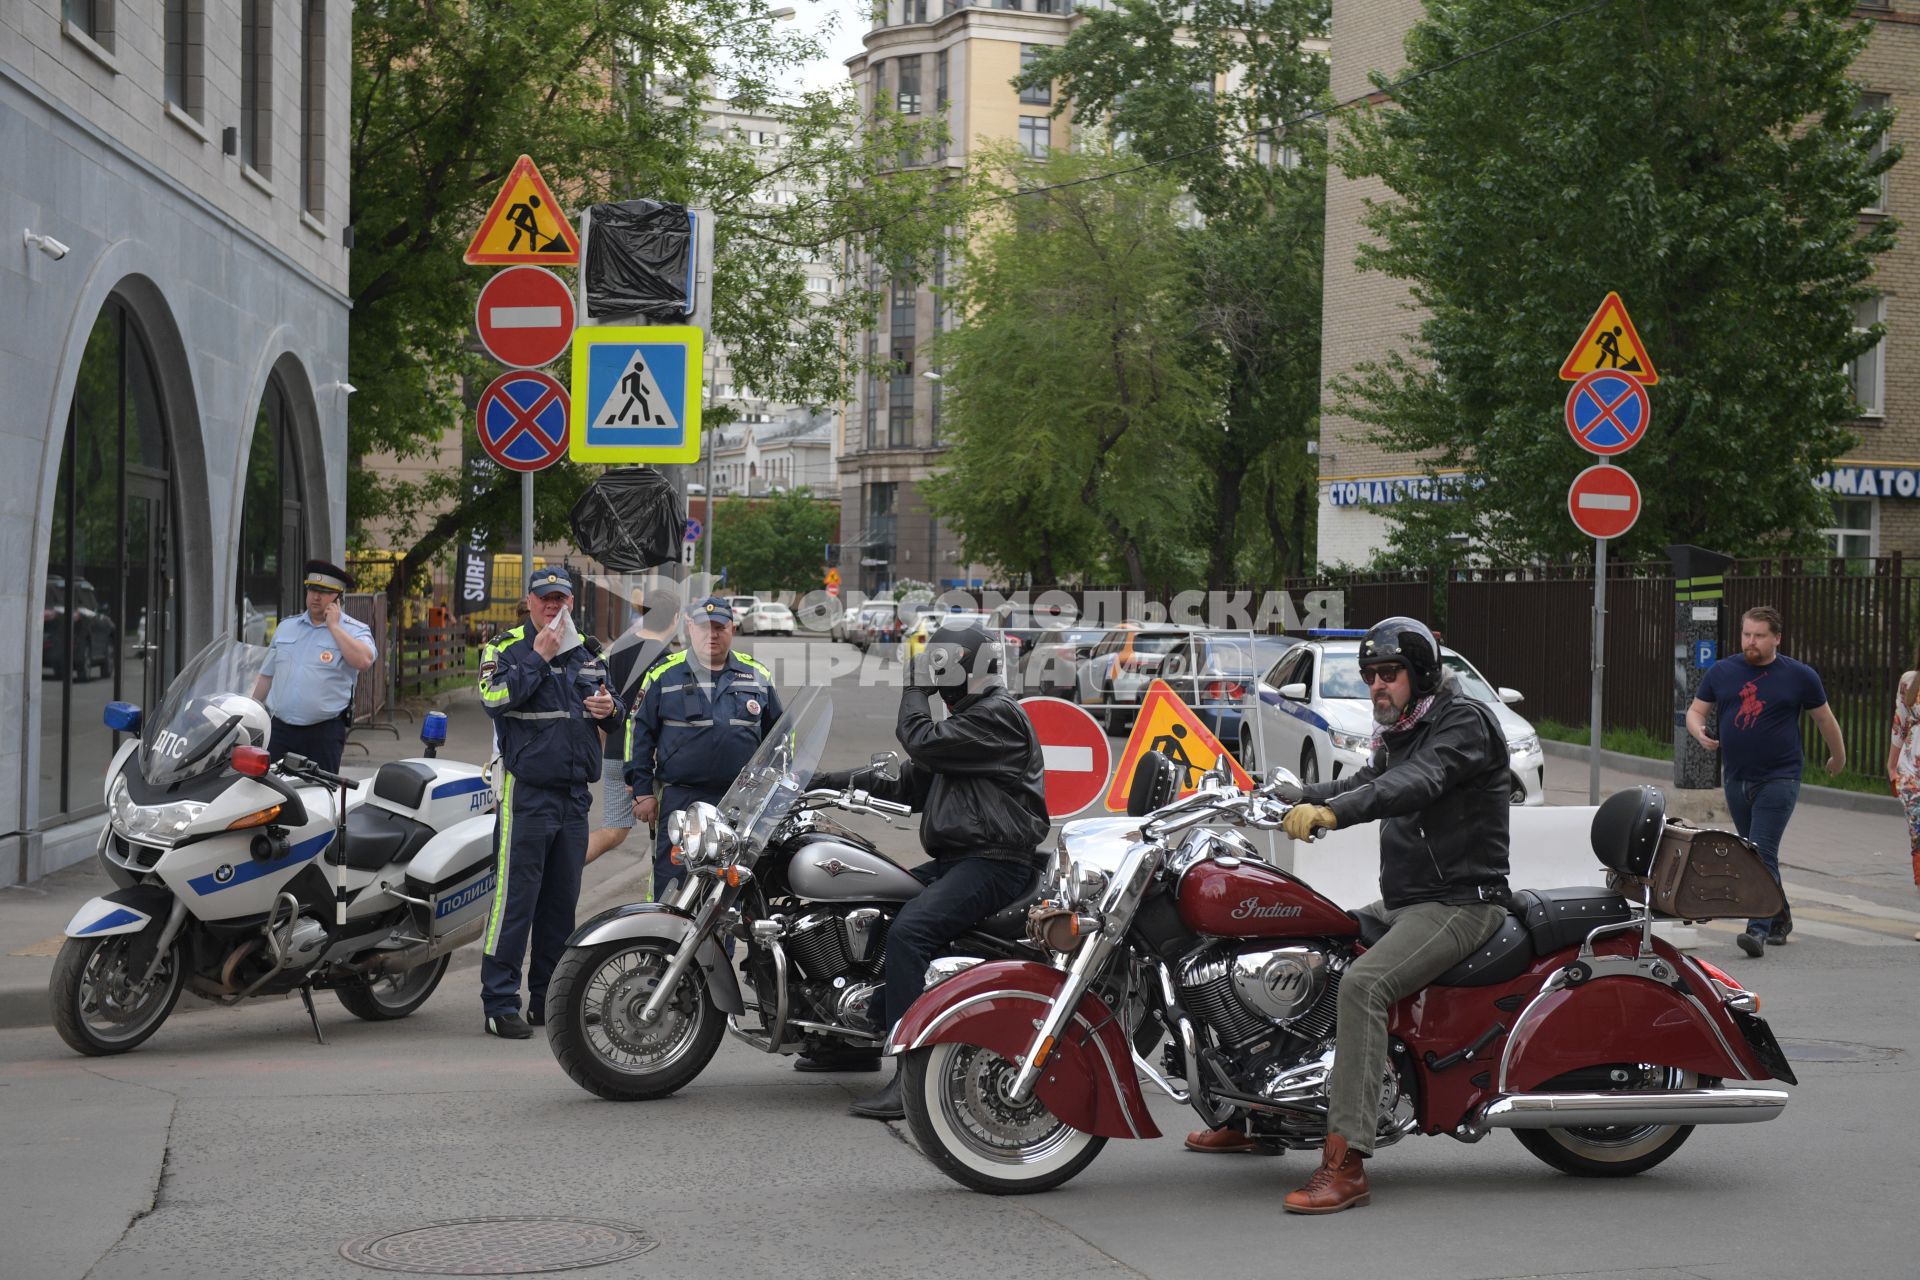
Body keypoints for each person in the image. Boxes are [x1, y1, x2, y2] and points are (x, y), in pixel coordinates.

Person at [1188, 617, 1512, 1217]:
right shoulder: (1400, 732)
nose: (1376, 687)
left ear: (1420, 675)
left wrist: (1336, 815)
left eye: (1388, 675)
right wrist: (1278, 796)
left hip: (1462, 903)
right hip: (1411, 901)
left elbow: (1418, 782)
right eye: (1369, 677)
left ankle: (1348, 1162)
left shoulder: (1462, 722)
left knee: (1363, 984)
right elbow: (1364, 779)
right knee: (1310, 950)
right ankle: (1258, 1114)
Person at [816, 619, 1050, 1120]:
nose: (934, 674)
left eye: (939, 664)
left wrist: (914, 688)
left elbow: (918, 741)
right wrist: (821, 783)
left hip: (994, 862)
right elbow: (908, 781)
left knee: (909, 931)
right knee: (865, 901)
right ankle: (841, 1037)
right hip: (959, 860)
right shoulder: (965, 724)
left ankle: (910, 1078)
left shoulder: (997, 717)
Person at [477, 567, 623, 1039]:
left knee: (561, 905)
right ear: (529, 601)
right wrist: (537, 659)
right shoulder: (505, 648)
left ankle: (547, 1000)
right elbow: (493, 698)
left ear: (571, 603)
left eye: (560, 599)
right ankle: (499, 1003)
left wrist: (610, 709)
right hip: (528, 794)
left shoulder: (587, 652)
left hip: (574, 796)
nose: (552, 607)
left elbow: (616, 708)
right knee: (515, 901)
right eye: (544, 599)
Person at [1686, 606, 1845, 958]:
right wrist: (1698, 732)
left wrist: (1839, 756)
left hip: (1780, 777)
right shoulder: (1723, 671)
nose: (1751, 642)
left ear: (1777, 638)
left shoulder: (1799, 676)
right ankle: (1780, 917)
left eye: (1759, 635)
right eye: (1746, 634)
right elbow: (1696, 710)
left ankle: (1755, 929)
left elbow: (1824, 719)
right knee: (1753, 854)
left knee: (1760, 852)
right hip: (1736, 778)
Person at [624, 597, 782, 902]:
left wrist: (775, 791)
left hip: (736, 803)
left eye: (719, 627)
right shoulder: (664, 674)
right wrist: (642, 791)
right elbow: (638, 735)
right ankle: (662, 947)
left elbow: (780, 738)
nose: (712, 634)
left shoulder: (757, 675)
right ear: (689, 629)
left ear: (732, 629)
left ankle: (717, 949)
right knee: (673, 887)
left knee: (725, 894)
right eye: (703, 627)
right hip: (681, 801)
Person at [249, 559, 376, 772]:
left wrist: (333, 627)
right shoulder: (287, 627)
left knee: (319, 796)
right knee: (268, 794)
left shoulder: (354, 630)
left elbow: (363, 661)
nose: (316, 597)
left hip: (323, 733)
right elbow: (267, 676)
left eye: (325, 592)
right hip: (280, 729)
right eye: (312, 590)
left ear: (338, 597)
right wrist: (248, 709)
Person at [586, 589, 680, 867]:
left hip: (615, 752)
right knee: (669, 833)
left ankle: (561, 869)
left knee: (614, 829)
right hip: (645, 759)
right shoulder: (667, 659)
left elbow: (609, 698)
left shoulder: (621, 648)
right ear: (674, 619)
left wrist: (598, 746)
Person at [1890, 648, 1920, 942]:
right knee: (1919, 845)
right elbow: (1900, 724)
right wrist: (1891, 765)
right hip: (1913, 775)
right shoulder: (1909, 681)